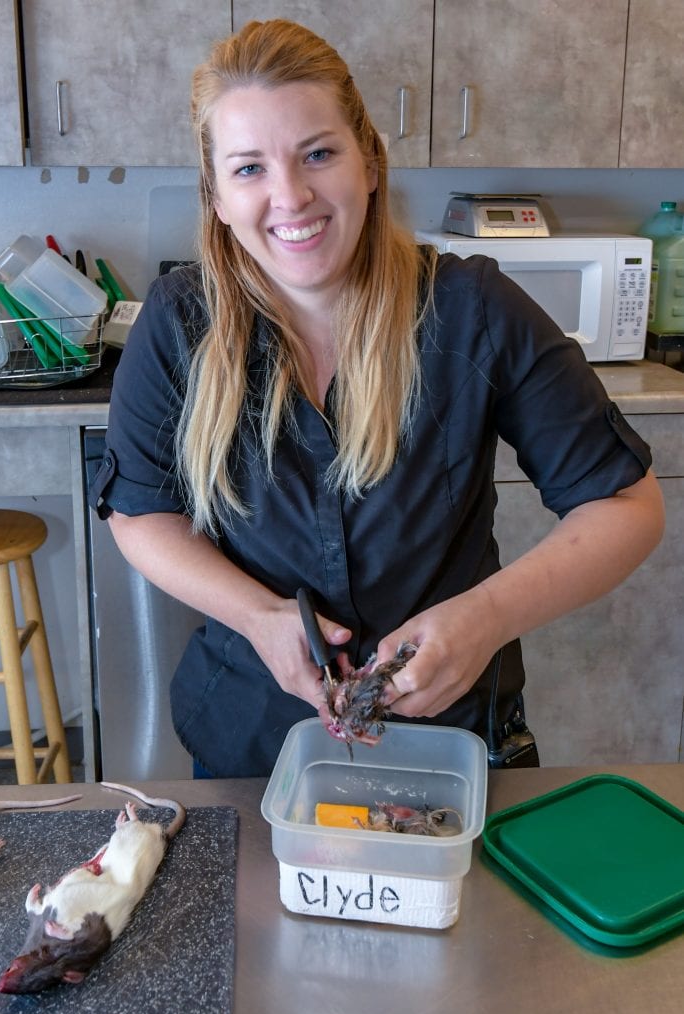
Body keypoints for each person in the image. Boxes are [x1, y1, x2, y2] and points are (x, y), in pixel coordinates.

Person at [89, 19, 664, 778]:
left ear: (368, 162)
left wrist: (486, 617)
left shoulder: (474, 310)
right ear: (218, 196)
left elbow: (627, 507)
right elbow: (141, 512)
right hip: (254, 745)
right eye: (250, 168)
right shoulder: (177, 322)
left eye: (318, 154)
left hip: (454, 746)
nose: (290, 196)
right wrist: (260, 621)